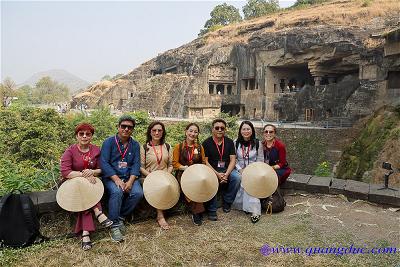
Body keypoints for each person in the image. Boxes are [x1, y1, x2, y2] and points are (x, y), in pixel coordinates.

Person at [60, 123, 113, 250]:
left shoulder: (96, 150)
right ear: (77, 136)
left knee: (86, 192)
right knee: (82, 189)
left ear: (91, 136)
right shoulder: (70, 151)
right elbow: (65, 172)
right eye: (81, 134)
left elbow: (101, 168)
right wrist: (84, 175)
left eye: (88, 134)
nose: (84, 136)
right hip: (72, 182)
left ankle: (85, 233)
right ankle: (98, 212)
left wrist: (93, 172)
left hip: (90, 181)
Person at [100, 115, 143, 242]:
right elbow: (104, 163)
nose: (126, 129)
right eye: (123, 126)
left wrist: (130, 181)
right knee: (117, 191)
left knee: (138, 193)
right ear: (118, 127)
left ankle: (120, 217)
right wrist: (116, 179)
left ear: (132, 130)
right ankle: (114, 225)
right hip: (112, 177)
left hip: (129, 176)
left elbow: (136, 164)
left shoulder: (135, 144)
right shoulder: (108, 142)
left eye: (129, 127)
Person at [202, 118, 241, 221]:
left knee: (237, 178)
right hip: (212, 170)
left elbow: (233, 160)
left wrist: (227, 174)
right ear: (212, 129)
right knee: (211, 180)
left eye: (222, 128)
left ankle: (227, 201)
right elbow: (205, 162)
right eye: (217, 128)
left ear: (225, 130)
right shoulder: (206, 143)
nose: (220, 130)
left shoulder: (229, 142)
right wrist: (217, 174)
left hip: (227, 169)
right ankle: (212, 209)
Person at [140, 121, 173, 230]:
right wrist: (152, 176)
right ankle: (160, 216)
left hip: (164, 177)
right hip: (148, 177)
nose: (157, 133)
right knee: (158, 186)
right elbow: (140, 167)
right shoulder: (144, 147)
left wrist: (167, 175)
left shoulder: (167, 146)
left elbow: (171, 165)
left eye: (159, 130)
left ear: (163, 132)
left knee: (164, 185)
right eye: (154, 130)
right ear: (150, 132)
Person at [172, 123, 206, 226]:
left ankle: (197, 210)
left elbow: (203, 162)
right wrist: (184, 168)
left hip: (196, 174)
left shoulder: (200, 147)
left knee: (200, 186)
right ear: (186, 132)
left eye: (195, 132)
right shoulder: (179, 146)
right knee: (190, 188)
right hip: (182, 174)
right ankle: (197, 212)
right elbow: (174, 163)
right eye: (191, 131)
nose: (193, 133)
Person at [232, 121, 264, 223]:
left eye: (248, 129)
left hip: (254, 170)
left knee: (252, 181)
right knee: (242, 179)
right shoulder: (236, 143)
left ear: (252, 130)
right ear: (240, 131)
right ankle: (245, 206)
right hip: (240, 169)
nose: (246, 131)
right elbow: (234, 159)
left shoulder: (258, 143)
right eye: (244, 129)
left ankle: (255, 210)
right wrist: (240, 169)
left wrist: (252, 170)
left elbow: (260, 159)